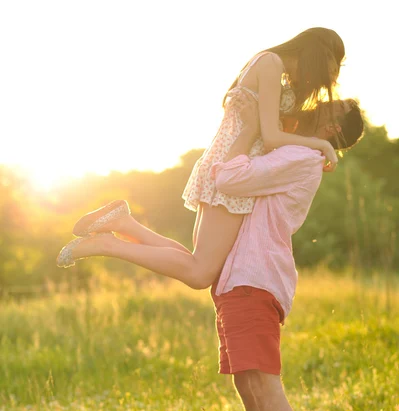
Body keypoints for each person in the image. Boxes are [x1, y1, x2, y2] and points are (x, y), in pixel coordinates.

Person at [57, 28, 346, 279]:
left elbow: (269, 134)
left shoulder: (277, 72)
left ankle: (122, 223)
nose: (333, 75)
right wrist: (321, 145)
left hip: (237, 162)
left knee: (197, 263)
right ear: (319, 51)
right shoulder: (271, 62)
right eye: (335, 65)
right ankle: (107, 244)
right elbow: (270, 137)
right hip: (234, 162)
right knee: (200, 272)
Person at [208, 96, 364, 411]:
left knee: (263, 382)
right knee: (248, 384)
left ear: (333, 128)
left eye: (335, 106)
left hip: (254, 276)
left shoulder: (299, 155)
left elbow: (228, 179)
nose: (325, 101)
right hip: (240, 276)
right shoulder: (298, 150)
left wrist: (242, 138)